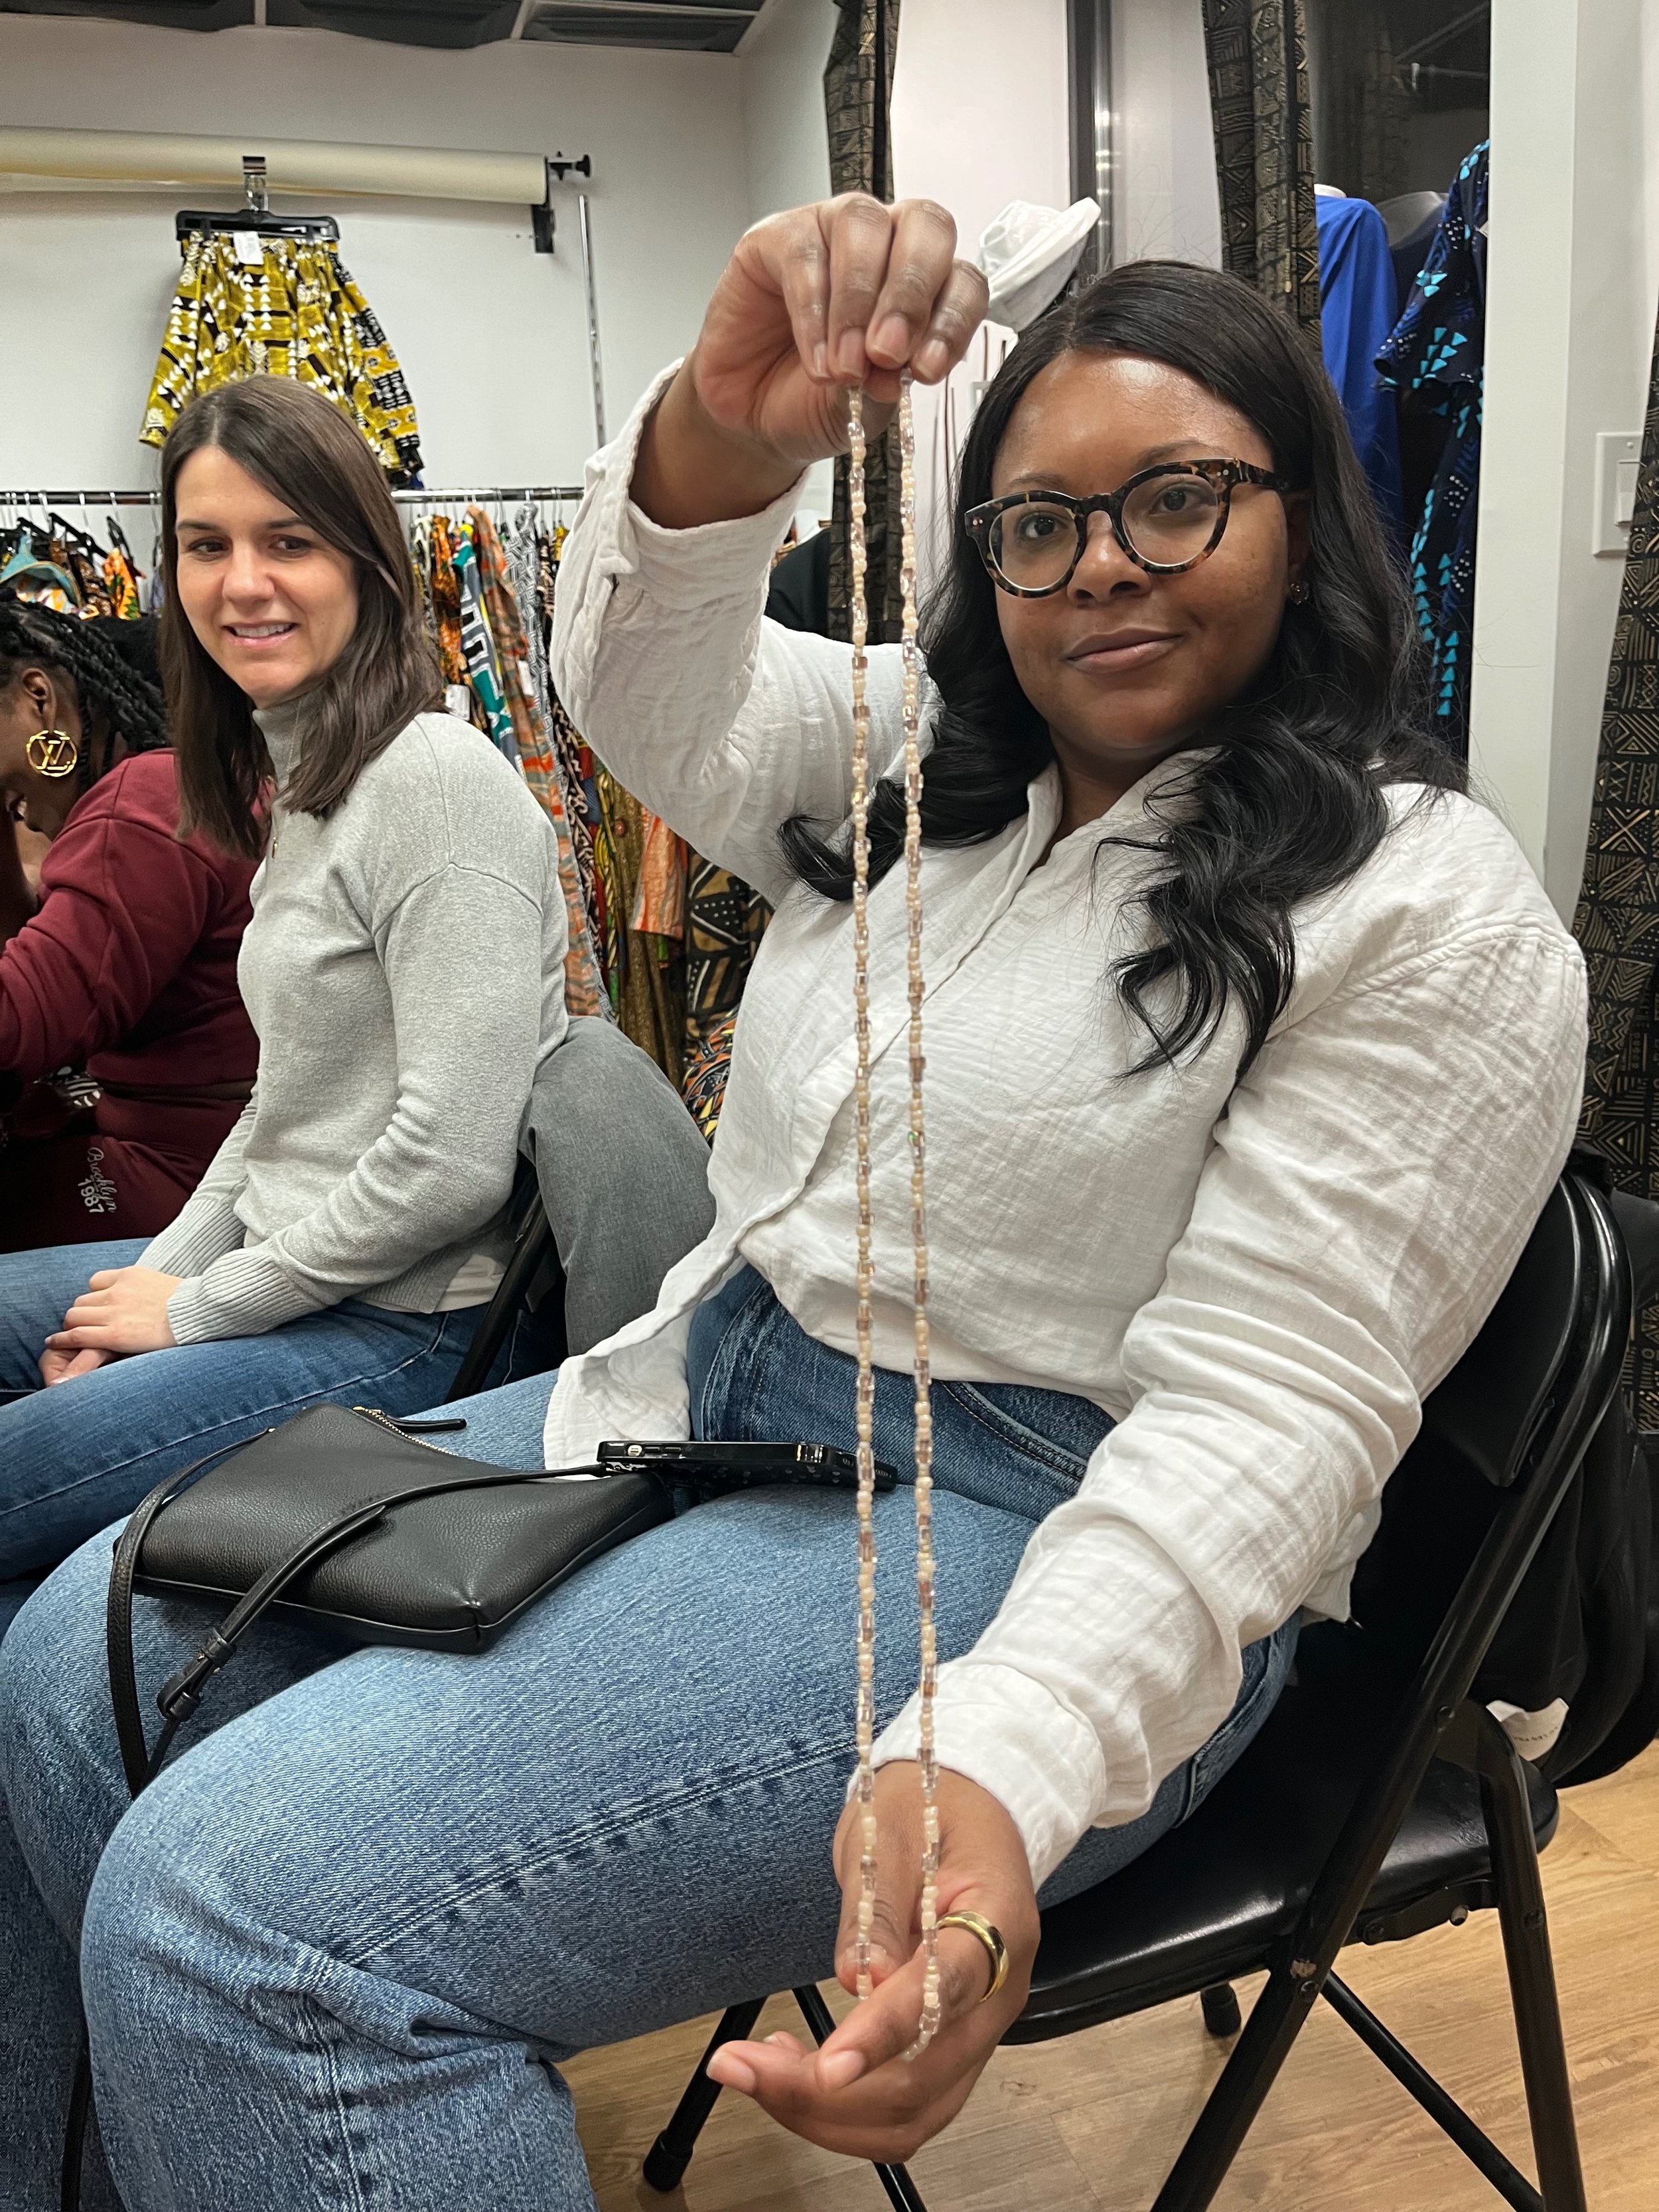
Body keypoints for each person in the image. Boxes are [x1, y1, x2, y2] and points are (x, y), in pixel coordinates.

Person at [0, 197, 1587, 2210]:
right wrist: (723, 429)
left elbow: (1261, 1424)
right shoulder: (932, 767)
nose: (1100, 563)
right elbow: (641, 675)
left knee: (244, 1923)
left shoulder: (1422, 909)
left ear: (1307, 512)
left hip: (1029, 1524)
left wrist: (1006, 1749)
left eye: (1177, 498)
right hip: (703, 1394)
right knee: (72, 1668)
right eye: (1036, 522)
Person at [0, 374, 571, 1640]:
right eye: (207, 545)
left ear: (363, 559)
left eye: (288, 541)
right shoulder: (304, 784)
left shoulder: (433, 782)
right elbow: (276, 1108)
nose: (243, 583)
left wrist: (186, 1310)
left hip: (408, 1323)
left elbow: (449, 1165)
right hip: (294, 1270)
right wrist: (152, 1282)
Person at [0, 598, 257, 1250]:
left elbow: (21, 1024)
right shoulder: (199, 782)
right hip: (208, 1165)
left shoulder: (145, 801)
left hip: (189, 1187)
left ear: (39, 700)